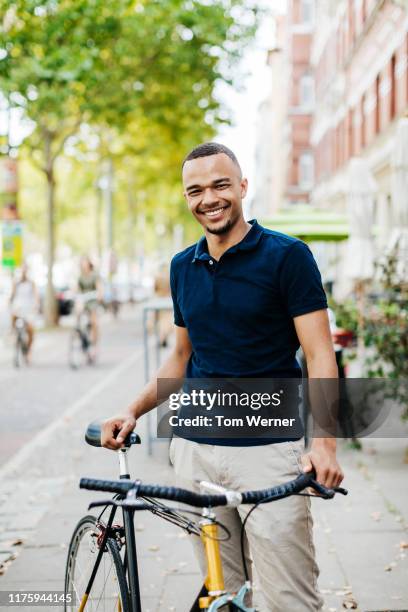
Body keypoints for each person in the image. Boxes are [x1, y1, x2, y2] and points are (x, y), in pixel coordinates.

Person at [101, 142, 344, 611]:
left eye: (219, 185)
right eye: (195, 190)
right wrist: (130, 410)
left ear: (242, 187)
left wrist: (325, 442)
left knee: (290, 598)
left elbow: (319, 355)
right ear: (186, 198)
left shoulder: (288, 257)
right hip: (195, 457)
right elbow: (179, 358)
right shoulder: (181, 267)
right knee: (224, 596)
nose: (208, 198)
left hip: (269, 455)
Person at [9, 263, 40, 363]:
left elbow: (36, 296)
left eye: (25, 270)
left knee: (30, 330)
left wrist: (36, 305)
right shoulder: (16, 283)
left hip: (28, 308)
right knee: (13, 316)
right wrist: (9, 303)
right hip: (18, 307)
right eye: (22, 270)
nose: (23, 272)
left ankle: (28, 351)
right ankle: (13, 333)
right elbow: (12, 295)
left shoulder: (32, 283)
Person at [76, 256, 102, 354]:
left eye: (85, 263)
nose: (84, 265)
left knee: (94, 322)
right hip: (84, 300)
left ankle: (94, 344)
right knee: (78, 312)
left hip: (92, 300)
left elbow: (99, 288)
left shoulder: (94, 275)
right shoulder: (80, 277)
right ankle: (80, 333)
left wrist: (99, 295)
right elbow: (77, 289)